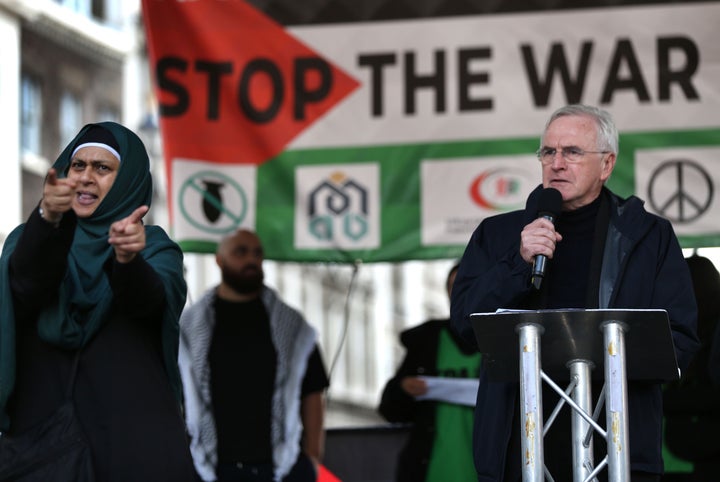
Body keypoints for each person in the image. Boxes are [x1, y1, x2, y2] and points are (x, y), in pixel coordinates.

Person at [450, 104, 699, 482]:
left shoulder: (649, 237)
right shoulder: (498, 236)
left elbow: (680, 339)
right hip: (518, 453)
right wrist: (518, 263)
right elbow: (465, 327)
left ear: (607, 164)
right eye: (548, 152)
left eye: (572, 152)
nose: (557, 163)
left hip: (617, 452)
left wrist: (611, 359)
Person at [0, 122, 196, 480]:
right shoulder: (30, 238)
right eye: (78, 166)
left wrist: (127, 261)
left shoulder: (154, 248)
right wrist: (48, 221)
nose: (86, 177)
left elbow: (151, 303)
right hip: (43, 458)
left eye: (102, 168)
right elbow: (26, 284)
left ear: (128, 181)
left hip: (136, 455)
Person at [179, 228, 329, 482]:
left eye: (257, 253)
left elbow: (313, 392)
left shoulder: (293, 328)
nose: (251, 260)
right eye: (241, 252)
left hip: (281, 468)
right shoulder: (189, 329)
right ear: (219, 259)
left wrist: (313, 456)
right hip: (208, 469)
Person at [379, 263, 481, 482]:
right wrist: (402, 388)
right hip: (429, 471)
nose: (461, 292)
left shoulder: (504, 339)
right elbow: (389, 409)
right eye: (455, 286)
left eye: (469, 284)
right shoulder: (426, 341)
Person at [662, 254, 720, 481]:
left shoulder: (705, 328)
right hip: (689, 455)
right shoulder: (695, 327)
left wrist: (664, 400)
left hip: (702, 457)